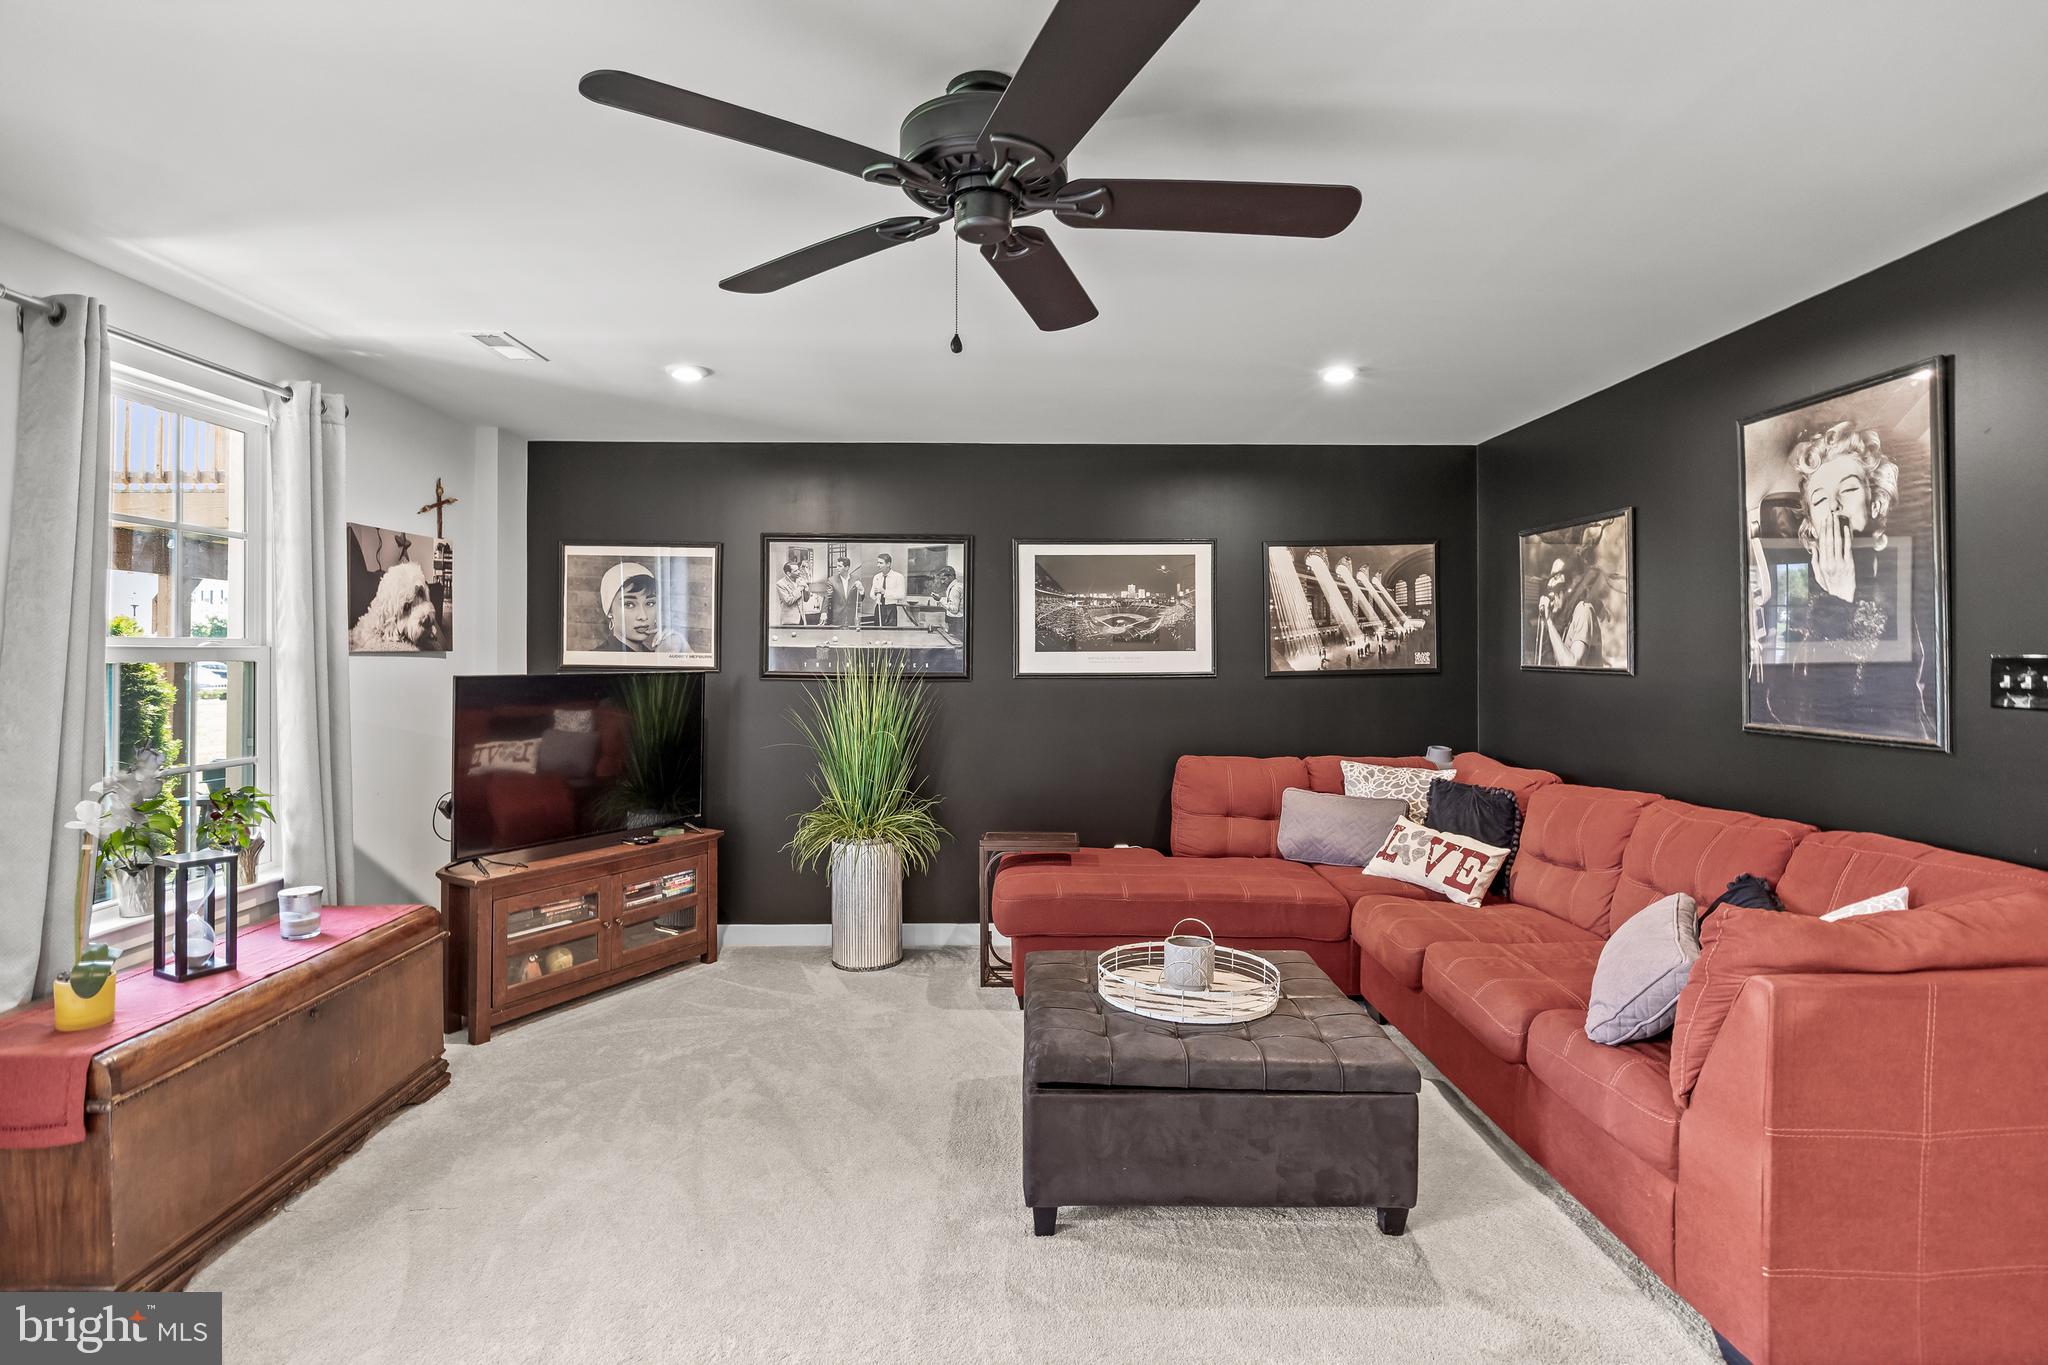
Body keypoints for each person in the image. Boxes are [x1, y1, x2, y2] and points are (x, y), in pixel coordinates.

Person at [596, 560, 687, 653]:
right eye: (629, 604)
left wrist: (684, 649)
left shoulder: (659, 654)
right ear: (610, 612)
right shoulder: (596, 658)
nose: (643, 616)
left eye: (650, 603)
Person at [773, 557, 817, 627]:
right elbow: (788, 601)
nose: (799, 572)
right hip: (789, 621)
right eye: (796, 571)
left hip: (802, 619)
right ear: (789, 573)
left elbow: (806, 599)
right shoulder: (780, 584)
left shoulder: (800, 580)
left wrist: (806, 588)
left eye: (798, 570)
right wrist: (799, 589)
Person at [869, 552, 907, 628]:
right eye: (878, 563)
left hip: (891, 609)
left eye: (880, 563)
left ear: (888, 564)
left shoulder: (898, 577)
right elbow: (871, 595)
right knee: (876, 633)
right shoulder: (877, 577)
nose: (878, 565)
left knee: (890, 633)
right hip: (878, 608)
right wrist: (875, 595)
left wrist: (884, 592)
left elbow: (901, 595)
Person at [825, 554, 862, 627]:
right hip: (837, 619)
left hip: (852, 619)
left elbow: (860, 598)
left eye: (839, 566)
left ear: (847, 568)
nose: (837, 568)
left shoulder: (856, 579)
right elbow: (827, 597)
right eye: (837, 566)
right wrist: (824, 612)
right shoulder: (831, 580)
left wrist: (862, 591)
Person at [928, 564, 964, 636]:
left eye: (944, 579)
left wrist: (940, 599)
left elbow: (954, 610)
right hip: (956, 622)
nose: (942, 582)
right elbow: (953, 602)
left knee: (955, 644)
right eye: (941, 579)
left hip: (956, 623)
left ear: (951, 577)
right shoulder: (956, 586)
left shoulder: (955, 589)